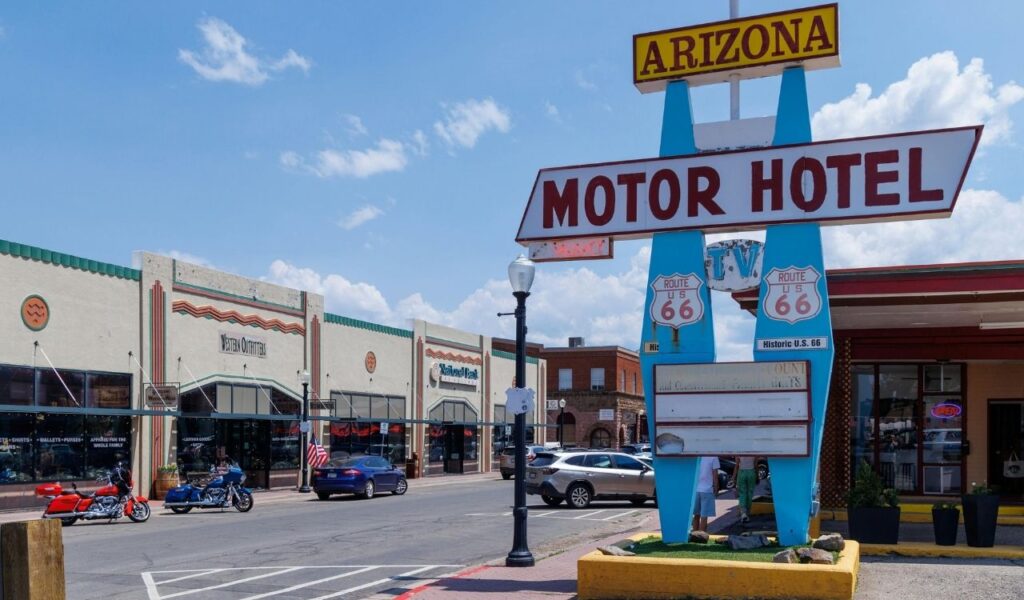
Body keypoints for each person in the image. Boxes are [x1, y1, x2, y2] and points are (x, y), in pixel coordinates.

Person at [691, 455, 720, 532]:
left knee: (696, 515)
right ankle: (701, 535)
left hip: (696, 490)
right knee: (704, 516)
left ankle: (694, 533)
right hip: (707, 490)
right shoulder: (714, 457)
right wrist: (716, 489)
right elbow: (715, 476)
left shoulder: (697, 456)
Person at [732, 455, 761, 523]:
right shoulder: (754, 451)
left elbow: (737, 465)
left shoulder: (739, 451)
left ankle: (743, 513)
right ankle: (747, 513)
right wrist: (757, 476)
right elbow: (755, 465)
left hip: (742, 472)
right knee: (750, 493)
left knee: (742, 493)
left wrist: (733, 477)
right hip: (751, 472)